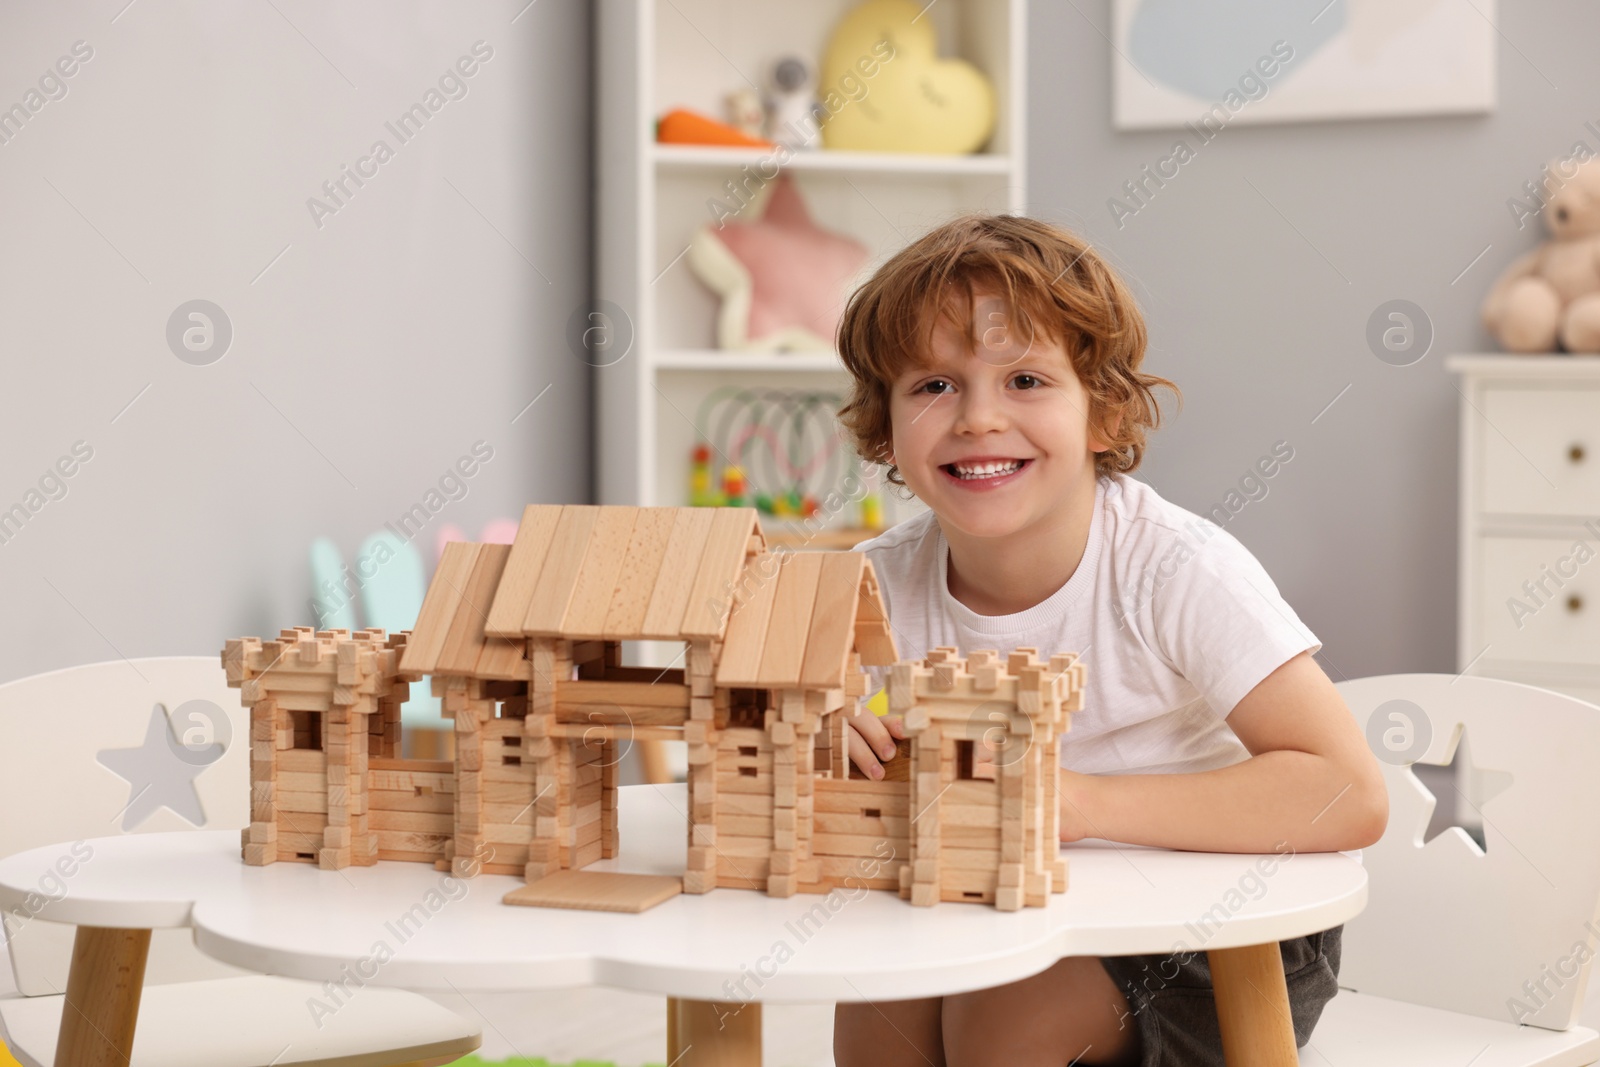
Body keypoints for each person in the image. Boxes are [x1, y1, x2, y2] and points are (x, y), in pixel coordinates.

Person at [829, 214, 1387, 1067]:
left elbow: (1347, 790)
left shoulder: (1174, 569)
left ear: (1104, 413)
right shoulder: (870, 584)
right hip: (998, 902)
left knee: (1002, 1010)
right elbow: (790, 742)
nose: (978, 418)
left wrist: (1080, 805)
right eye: (933, 386)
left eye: (1024, 379)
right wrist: (825, 733)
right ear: (886, 426)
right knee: (881, 995)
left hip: (1212, 941)